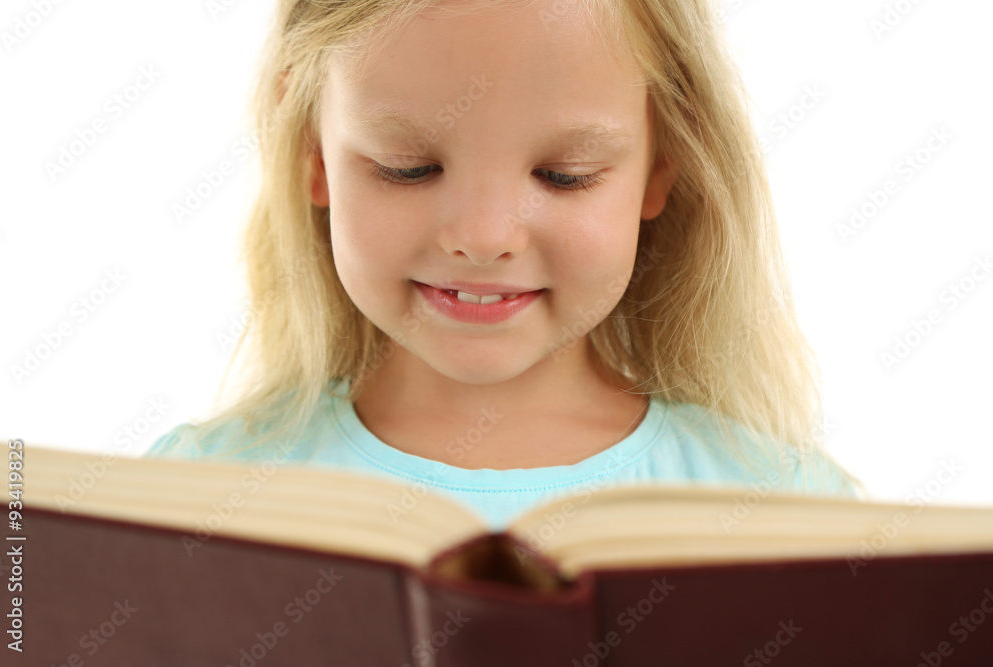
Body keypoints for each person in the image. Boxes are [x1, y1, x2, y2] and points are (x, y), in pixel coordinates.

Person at [146, 0, 863, 530]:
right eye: (409, 168)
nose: (484, 238)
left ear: (661, 163)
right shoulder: (192, 498)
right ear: (311, 150)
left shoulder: (785, 509)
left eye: (564, 175)